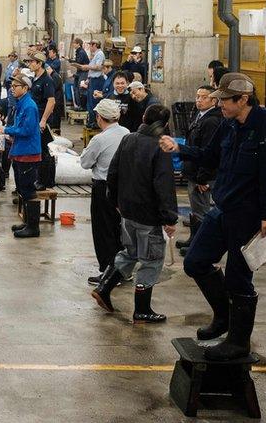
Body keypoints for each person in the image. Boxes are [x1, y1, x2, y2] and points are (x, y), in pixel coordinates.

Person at [160, 73, 266, 360]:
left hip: (249, 215)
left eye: (225, 101)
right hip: (223, 209)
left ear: (243, 99)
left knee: (239, 279)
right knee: (195, 262)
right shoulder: (228, 125)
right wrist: (180, 147)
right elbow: (209, 155)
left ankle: (238, 341)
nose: (221, 106)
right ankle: (223, 316)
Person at [92, 104, 177, 323]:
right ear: (165, 124)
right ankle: (142, 309)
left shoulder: (128, 139)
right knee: (151, 260)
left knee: (129, 252)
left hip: (127, 211)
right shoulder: (161, 146)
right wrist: (169, 217)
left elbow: (113, 171)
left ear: (143, 118)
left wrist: (115, 201)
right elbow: (164, 185)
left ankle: (104, 288)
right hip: (148, 215)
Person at [79, 99, 130, 284]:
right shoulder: (126, 133)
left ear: (99, 117)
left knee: (104, 231)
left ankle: (109, 273)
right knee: (119, 230)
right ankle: (123, 270)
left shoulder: (99, 139)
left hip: (104, 188)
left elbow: (85, 163)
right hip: (123, 187)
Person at [176, 86, 223, 254]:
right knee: (195, 210)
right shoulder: (200, 115)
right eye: (197, 96)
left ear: (214, 101)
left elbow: (208, 153)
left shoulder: (212, 121)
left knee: (202, 212)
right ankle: (194, 239)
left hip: (201, 175)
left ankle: (200, 247)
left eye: (203, 97)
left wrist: (203, 178)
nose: (199, 100)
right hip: (193, 172)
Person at [0, 70, 42, 238]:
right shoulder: (21, 103)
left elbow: (27, 130)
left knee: (28, 190)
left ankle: (33, 227)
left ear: (25, 88)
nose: (12, 89)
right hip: (20, 151)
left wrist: (6, 129)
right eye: (11, 86)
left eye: (15, 86)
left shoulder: (29, 106)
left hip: (28, 153)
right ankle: (27, 222)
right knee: (23, 189)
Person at [26, 53, 56, 188]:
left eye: (32, 62)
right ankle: (44, 180)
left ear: (39, 64)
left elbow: (51, 101)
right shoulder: (35, 79)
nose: (30, 64)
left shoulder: (46, 80)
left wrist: (43, 120)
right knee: (40, 149)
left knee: (43, 151)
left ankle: (44, 181)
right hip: (34, 119)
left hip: (41, 121)